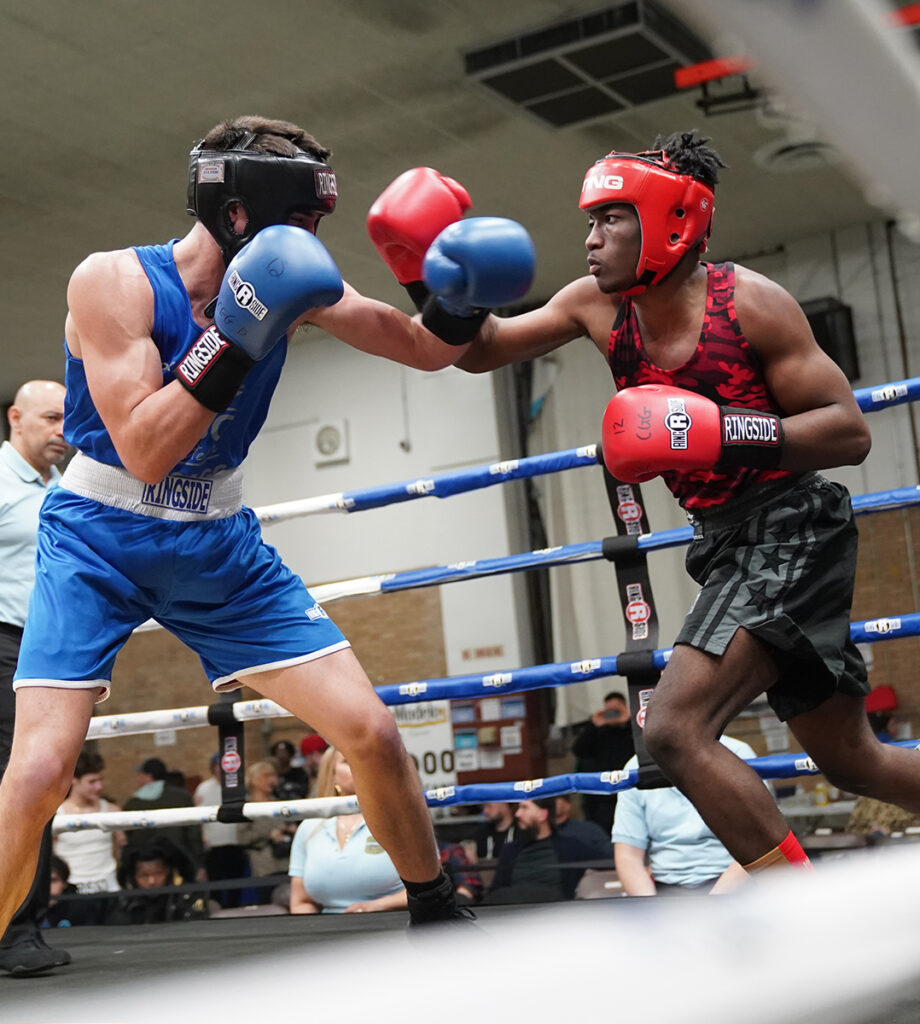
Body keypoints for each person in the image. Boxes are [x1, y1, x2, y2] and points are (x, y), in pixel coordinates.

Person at [0, 114, 536, 934]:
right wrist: (239, 334)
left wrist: (449, 295)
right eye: (303, 221)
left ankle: (435, 907)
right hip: (98, 534)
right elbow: (143, 447)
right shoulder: (113, 281)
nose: (314, 239)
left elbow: (426, 351)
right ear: (240, 215)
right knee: (38, 772)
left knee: (372, 732)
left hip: (216, 538)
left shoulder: (300, 284)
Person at [452, 129, 920, 874]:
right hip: (725, 542)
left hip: (794, 525)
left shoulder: (751, 306)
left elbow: (848, 432)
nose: (591, 239)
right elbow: (483, 349)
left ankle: (801, 916)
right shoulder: (595, 308)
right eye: (589, 221)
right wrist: (435, 283)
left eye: (611, 219)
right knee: (855, 760)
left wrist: (718, 432)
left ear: (669, 218)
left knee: (674, 729)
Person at [0, 379, 71, 976]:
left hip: (47, 653)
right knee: (21, 782)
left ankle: (24, 926)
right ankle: (15, 932)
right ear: (15, 418)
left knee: (42, 784)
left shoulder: (63, 487)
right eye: (51, 419)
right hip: (3, 642)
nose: (63, 432)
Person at [613, 735, 755, 896]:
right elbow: (628, 856)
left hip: (732, 886)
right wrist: (650, 910)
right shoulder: (636, 767)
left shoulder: (738, 753)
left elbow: (759, 843)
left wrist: (713, 904)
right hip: (666, 891)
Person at [288, 746, 407, 914]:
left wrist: (379, 905)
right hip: (331, 932)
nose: (360, 766)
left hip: (392, 925)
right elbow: (301, 901)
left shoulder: (401, 819)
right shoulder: (310, 827)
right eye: (348, 761)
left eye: (364, 761)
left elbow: (431, 887)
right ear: (332, 774)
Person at [487, 797, 610, 904]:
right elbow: (495, 892)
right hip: (514, 916)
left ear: (543, 814)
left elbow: (609, 862)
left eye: (524, 808)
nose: (518, 814)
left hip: (556, 918)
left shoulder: (571, 846)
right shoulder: (510, 850)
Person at [53, 748, 125, 897]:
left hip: (109, 890)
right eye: (92, 782)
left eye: (100, 780)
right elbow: (51, 856)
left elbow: (120, 848)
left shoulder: (112, 810)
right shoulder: (56, 814)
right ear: (74, 779)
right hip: (72, 892)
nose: (99, 787)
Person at [122, 757, 203, 874]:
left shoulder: (132, 803)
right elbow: (193, 833)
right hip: (182, 862)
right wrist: (199, 864)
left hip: (147, 867)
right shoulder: (182, 796)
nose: (138, 780)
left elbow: (130, 836)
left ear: (148, 776)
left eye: (140, 775)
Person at [570, 691, 635, 834]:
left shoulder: (631, 730)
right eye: (609, 711)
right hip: (603, 794)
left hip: (629, 787)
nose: (612, 715)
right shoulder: (599, 731)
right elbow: (578, 750)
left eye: (616, 710)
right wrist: (594, 725)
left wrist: (629, 720)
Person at [193, 752, 248, 908]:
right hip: (214, 845)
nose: (221, 769)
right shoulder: (203, 788)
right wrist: (203, 837)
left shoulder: (239, 786)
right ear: (213, 767)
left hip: (235, 843)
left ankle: (234, 910)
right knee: (216, 885)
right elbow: (198, 816)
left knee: (236, 883)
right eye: (218, 765)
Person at [237, 759, 295, 904]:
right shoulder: (245, 807)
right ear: (255, 780)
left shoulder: (279, 803)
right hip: (265, 866)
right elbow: (242, 837)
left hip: (287, 862)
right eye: (267, 776)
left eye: (274, 776)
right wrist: (269, 834)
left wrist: (290, 829)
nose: (273, 780)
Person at [114, 838, 208, 925]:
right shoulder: (125, 902)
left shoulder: (188, 895)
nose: (152, 881)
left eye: (158, 874)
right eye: (144, 876)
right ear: (133, 877)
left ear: (168, 871)